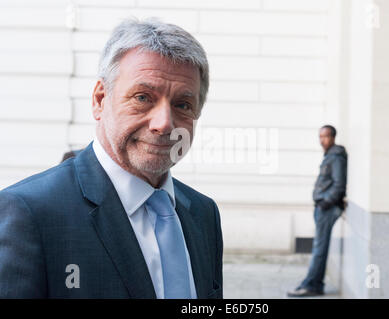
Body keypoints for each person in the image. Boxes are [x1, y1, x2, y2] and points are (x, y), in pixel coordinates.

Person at [0, 18, 223, 299]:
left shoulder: (203, 214)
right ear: (99, 99)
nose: (164, 123)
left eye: (182, 105)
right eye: (143, 98)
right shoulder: (30, 213)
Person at [288, 125, 347, 297]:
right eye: (320, 136)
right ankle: (315, 283)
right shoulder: (330, 155)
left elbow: (339, 185)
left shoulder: (336, 157)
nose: (323, 140)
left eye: (326, 136)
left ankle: (311, 285)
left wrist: (325, 203)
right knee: (319, 247)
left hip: (326, 209)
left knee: (319, 249)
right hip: (323, 208)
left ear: (333, 137)